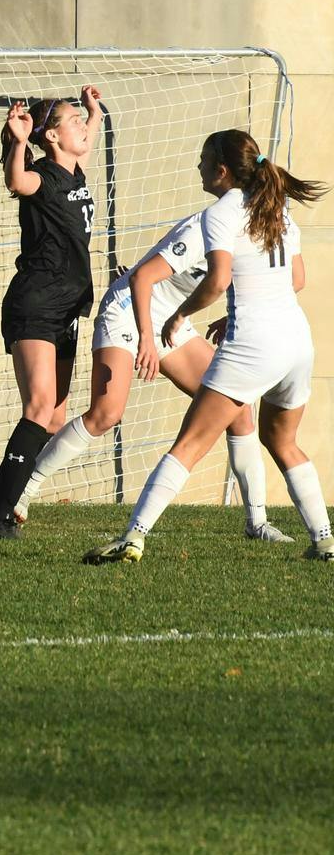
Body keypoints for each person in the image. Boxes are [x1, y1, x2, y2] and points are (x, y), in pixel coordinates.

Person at [84, 131, 330, 564]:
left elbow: (217, 281)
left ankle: (133, 536)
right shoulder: (278, 207)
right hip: (296, 341)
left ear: (221, 171)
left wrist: (180, 316)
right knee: (282, 440)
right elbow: (296, 280)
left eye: (202, 160)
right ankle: (324, 539)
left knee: (190, 443)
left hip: (253, 345)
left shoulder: (221, 212)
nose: (197, 167)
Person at [10, 206, 286, 541]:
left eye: (206, 159)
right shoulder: (206, 225)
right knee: (106, 413)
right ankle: (23, 490)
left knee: (239, 408)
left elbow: (270, 281)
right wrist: (146, 338)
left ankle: (256, 523)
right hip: (129, 310)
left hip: (172, 318)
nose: (201, 166)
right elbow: (142, 278)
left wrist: (231, 315)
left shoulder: (255, 228)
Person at [0, 88, 104, 539]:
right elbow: (16, 182)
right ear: (51, 136)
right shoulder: (42, 175)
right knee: (39, 406)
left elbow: (87, 133)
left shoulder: (75, 170)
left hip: (66, 308)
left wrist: (93, 109)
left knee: (53, 419)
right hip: (35, 303)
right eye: (73, 121)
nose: (83, 127)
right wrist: (19, 141)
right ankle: (0, 517)